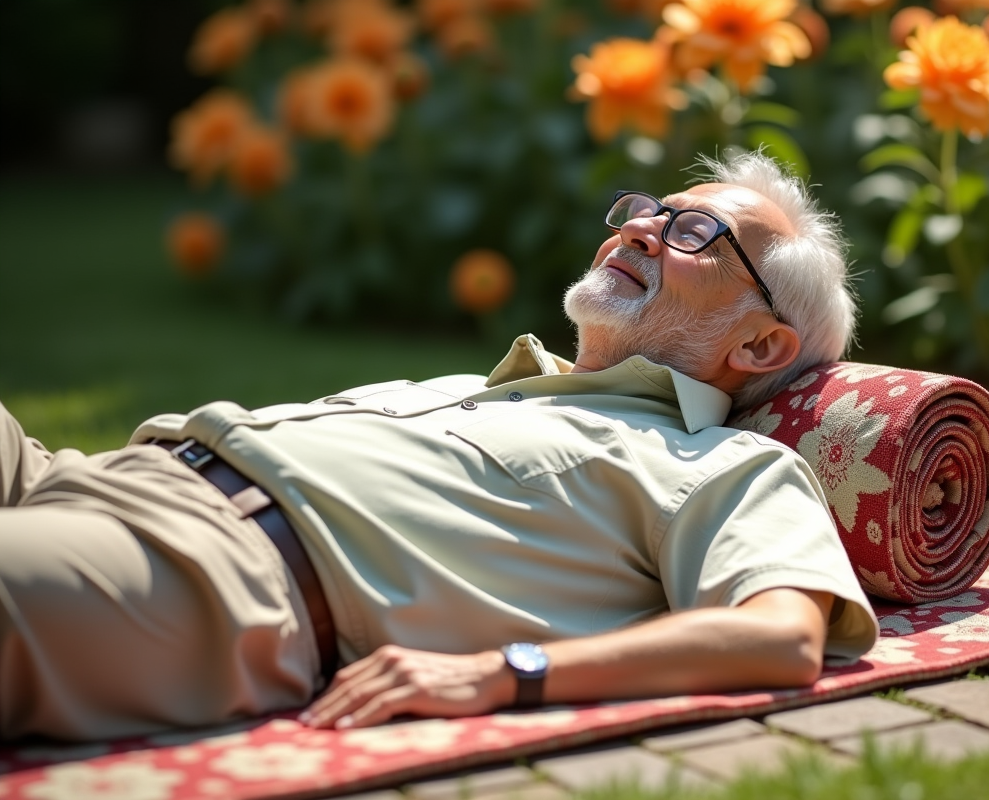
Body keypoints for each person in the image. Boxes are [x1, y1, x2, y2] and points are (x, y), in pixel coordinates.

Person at [0, 152, 878, 742]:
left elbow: (780, 637)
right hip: (84, 476)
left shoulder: (722, 464)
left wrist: (507, 675)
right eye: (650, 212)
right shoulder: (488, 388)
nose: (640, 229)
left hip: (201, 572)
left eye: (694, 235)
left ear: (760, 347)